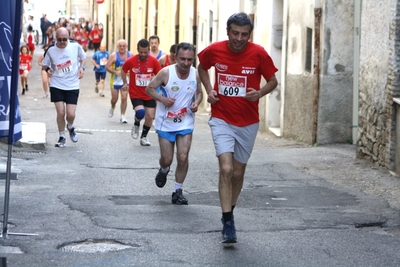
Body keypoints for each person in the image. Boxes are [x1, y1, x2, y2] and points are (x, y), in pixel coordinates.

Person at [197, 12, 278, 244]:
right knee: (225, 168)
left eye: (244, 34)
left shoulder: (259, 53)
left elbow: (273, 81)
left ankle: (229, 210)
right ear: (227, 31)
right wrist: (209, 90)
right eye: (235, 33)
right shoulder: (215, 50)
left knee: (238, 172)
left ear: (249, 35)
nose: (239, 38)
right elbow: (202, 67)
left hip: (248, 121)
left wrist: (260, 92)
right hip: (221, 118)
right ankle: (228, 220)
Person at [146, 42, 203, 204]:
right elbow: (149, 89)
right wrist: (163, 99)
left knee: (183, 157)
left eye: (189, 60)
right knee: (167, 159)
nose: (186, 63)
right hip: (166, 123)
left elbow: (200, 93)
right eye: (182, 59)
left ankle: (177, 190)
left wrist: (196, 103)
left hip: (185, 121)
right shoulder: (165, 73)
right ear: (175, 57)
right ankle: (164, 169)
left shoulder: (196, 74)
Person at [41, 27, 86, 147]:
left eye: (64, 39)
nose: (62, 42)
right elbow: (44, 64)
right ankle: (62, 136)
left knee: (70, 115)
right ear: (55, 38)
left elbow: (83, 58)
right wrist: (48, 70)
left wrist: (82, 68)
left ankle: (70, 126)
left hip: (72, 85)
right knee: (60, 113)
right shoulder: (51, 50)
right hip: (57, 84)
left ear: (69, 37)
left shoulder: (75, 46)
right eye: (59, 39)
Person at [120, 39, 161, 146]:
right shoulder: (131, 60)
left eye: (145, 52)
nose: (143, 54)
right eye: (141, 52)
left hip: (149, 93)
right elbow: (123, 70)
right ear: (137, 50)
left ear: (148, 50)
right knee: (140, 113)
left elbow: (160, 75)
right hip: (135, 93)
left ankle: (144, 137)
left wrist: (155, 79)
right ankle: (136, 123)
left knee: (150, 117)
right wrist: (125, 83)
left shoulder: (153, 61)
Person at [105, 39, 131, 123]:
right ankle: (112, 107)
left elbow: (135, 67)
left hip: (125, 81)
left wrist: (130, 72)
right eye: (120, 46)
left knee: (124, 98)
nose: (122, 47)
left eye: (124, 46)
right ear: (117, 47)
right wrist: (116, 72)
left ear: (126, 47)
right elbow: (107, 67)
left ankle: (123, 115)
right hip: (115, 81)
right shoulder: (114, 56)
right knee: (114, 99)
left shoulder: (130, 55)